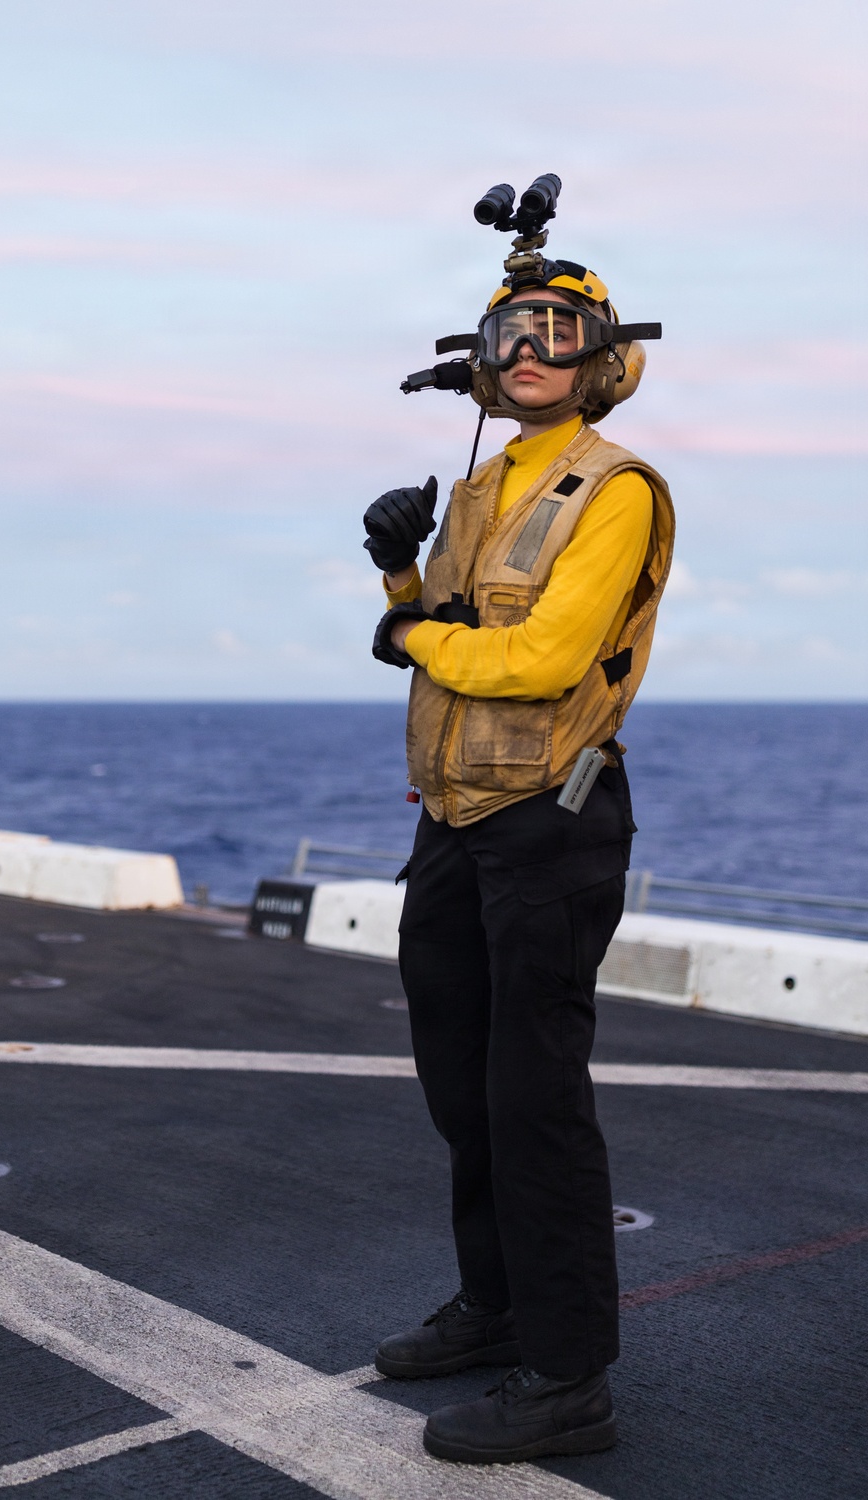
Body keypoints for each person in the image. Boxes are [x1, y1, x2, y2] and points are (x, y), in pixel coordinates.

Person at [362, 223, 675, 1465]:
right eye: (509, 332)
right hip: (451, 819)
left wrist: (407, 637)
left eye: (558, 331)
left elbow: (538, 666)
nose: (531, 348)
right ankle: (495, 1311)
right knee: (462, 1087)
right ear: (480, 360)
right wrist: (401, 577)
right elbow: (442, 624)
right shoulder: (483, 487)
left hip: (549, 823)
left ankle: (567, 1376)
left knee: (535, 1101)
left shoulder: (617, 485)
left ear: (601, 356)